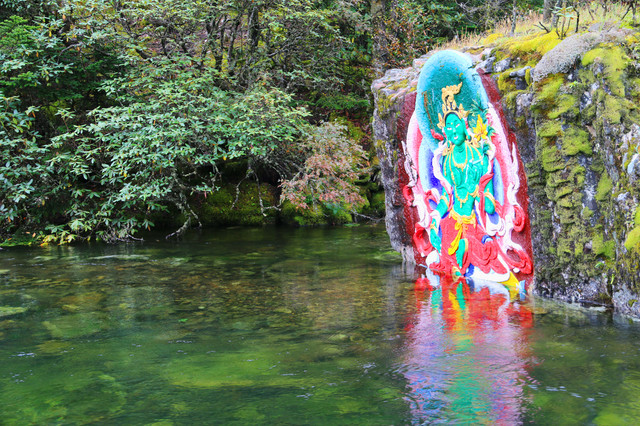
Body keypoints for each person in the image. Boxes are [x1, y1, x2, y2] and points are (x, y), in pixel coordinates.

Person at [427, 83, 504, 277]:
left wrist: (481, 192)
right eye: (448, 126)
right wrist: (434, 222)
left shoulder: (478, 158)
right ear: (445, 131)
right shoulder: (447, 161)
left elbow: (489, 206)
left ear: (464, 125)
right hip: (451, 221)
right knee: (449, 266)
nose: (453, 130)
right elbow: (446, 197)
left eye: (456, 124)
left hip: (471, 223)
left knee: (471, 249)